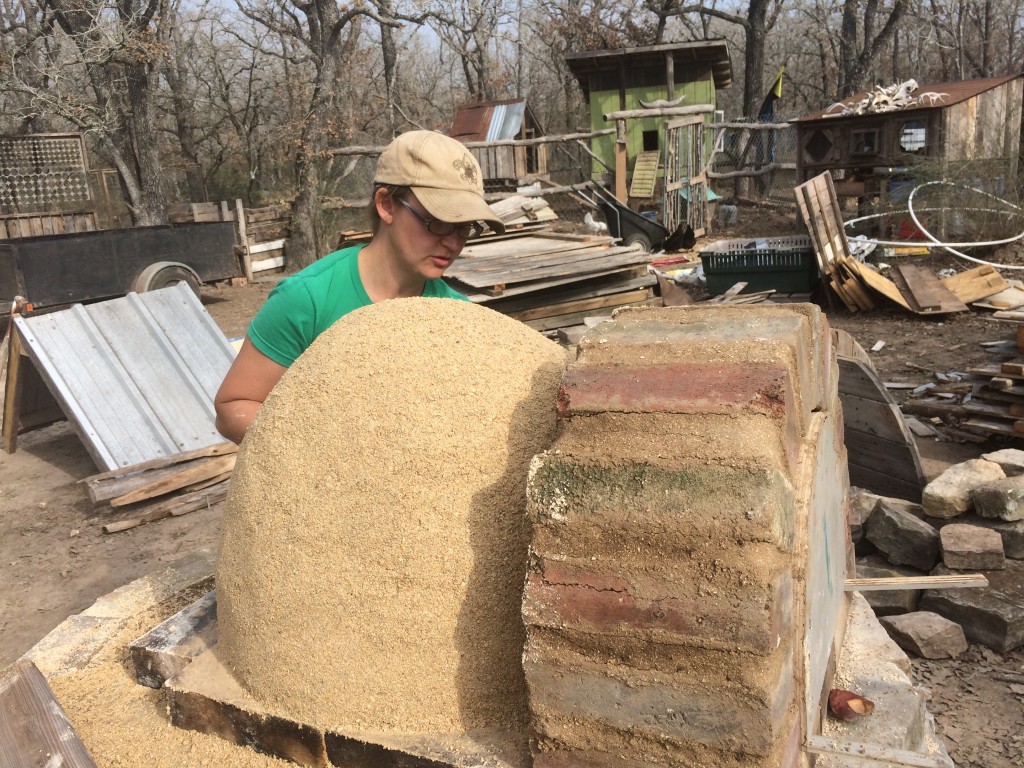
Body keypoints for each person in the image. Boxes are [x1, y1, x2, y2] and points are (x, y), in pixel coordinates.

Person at [214, 130, 504, 444]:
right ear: (387, 205)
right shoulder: (308, 300)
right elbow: (233, 409)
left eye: (465, 228)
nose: (452, 242)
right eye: (439, 221)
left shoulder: (459, 317)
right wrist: (335, 446)